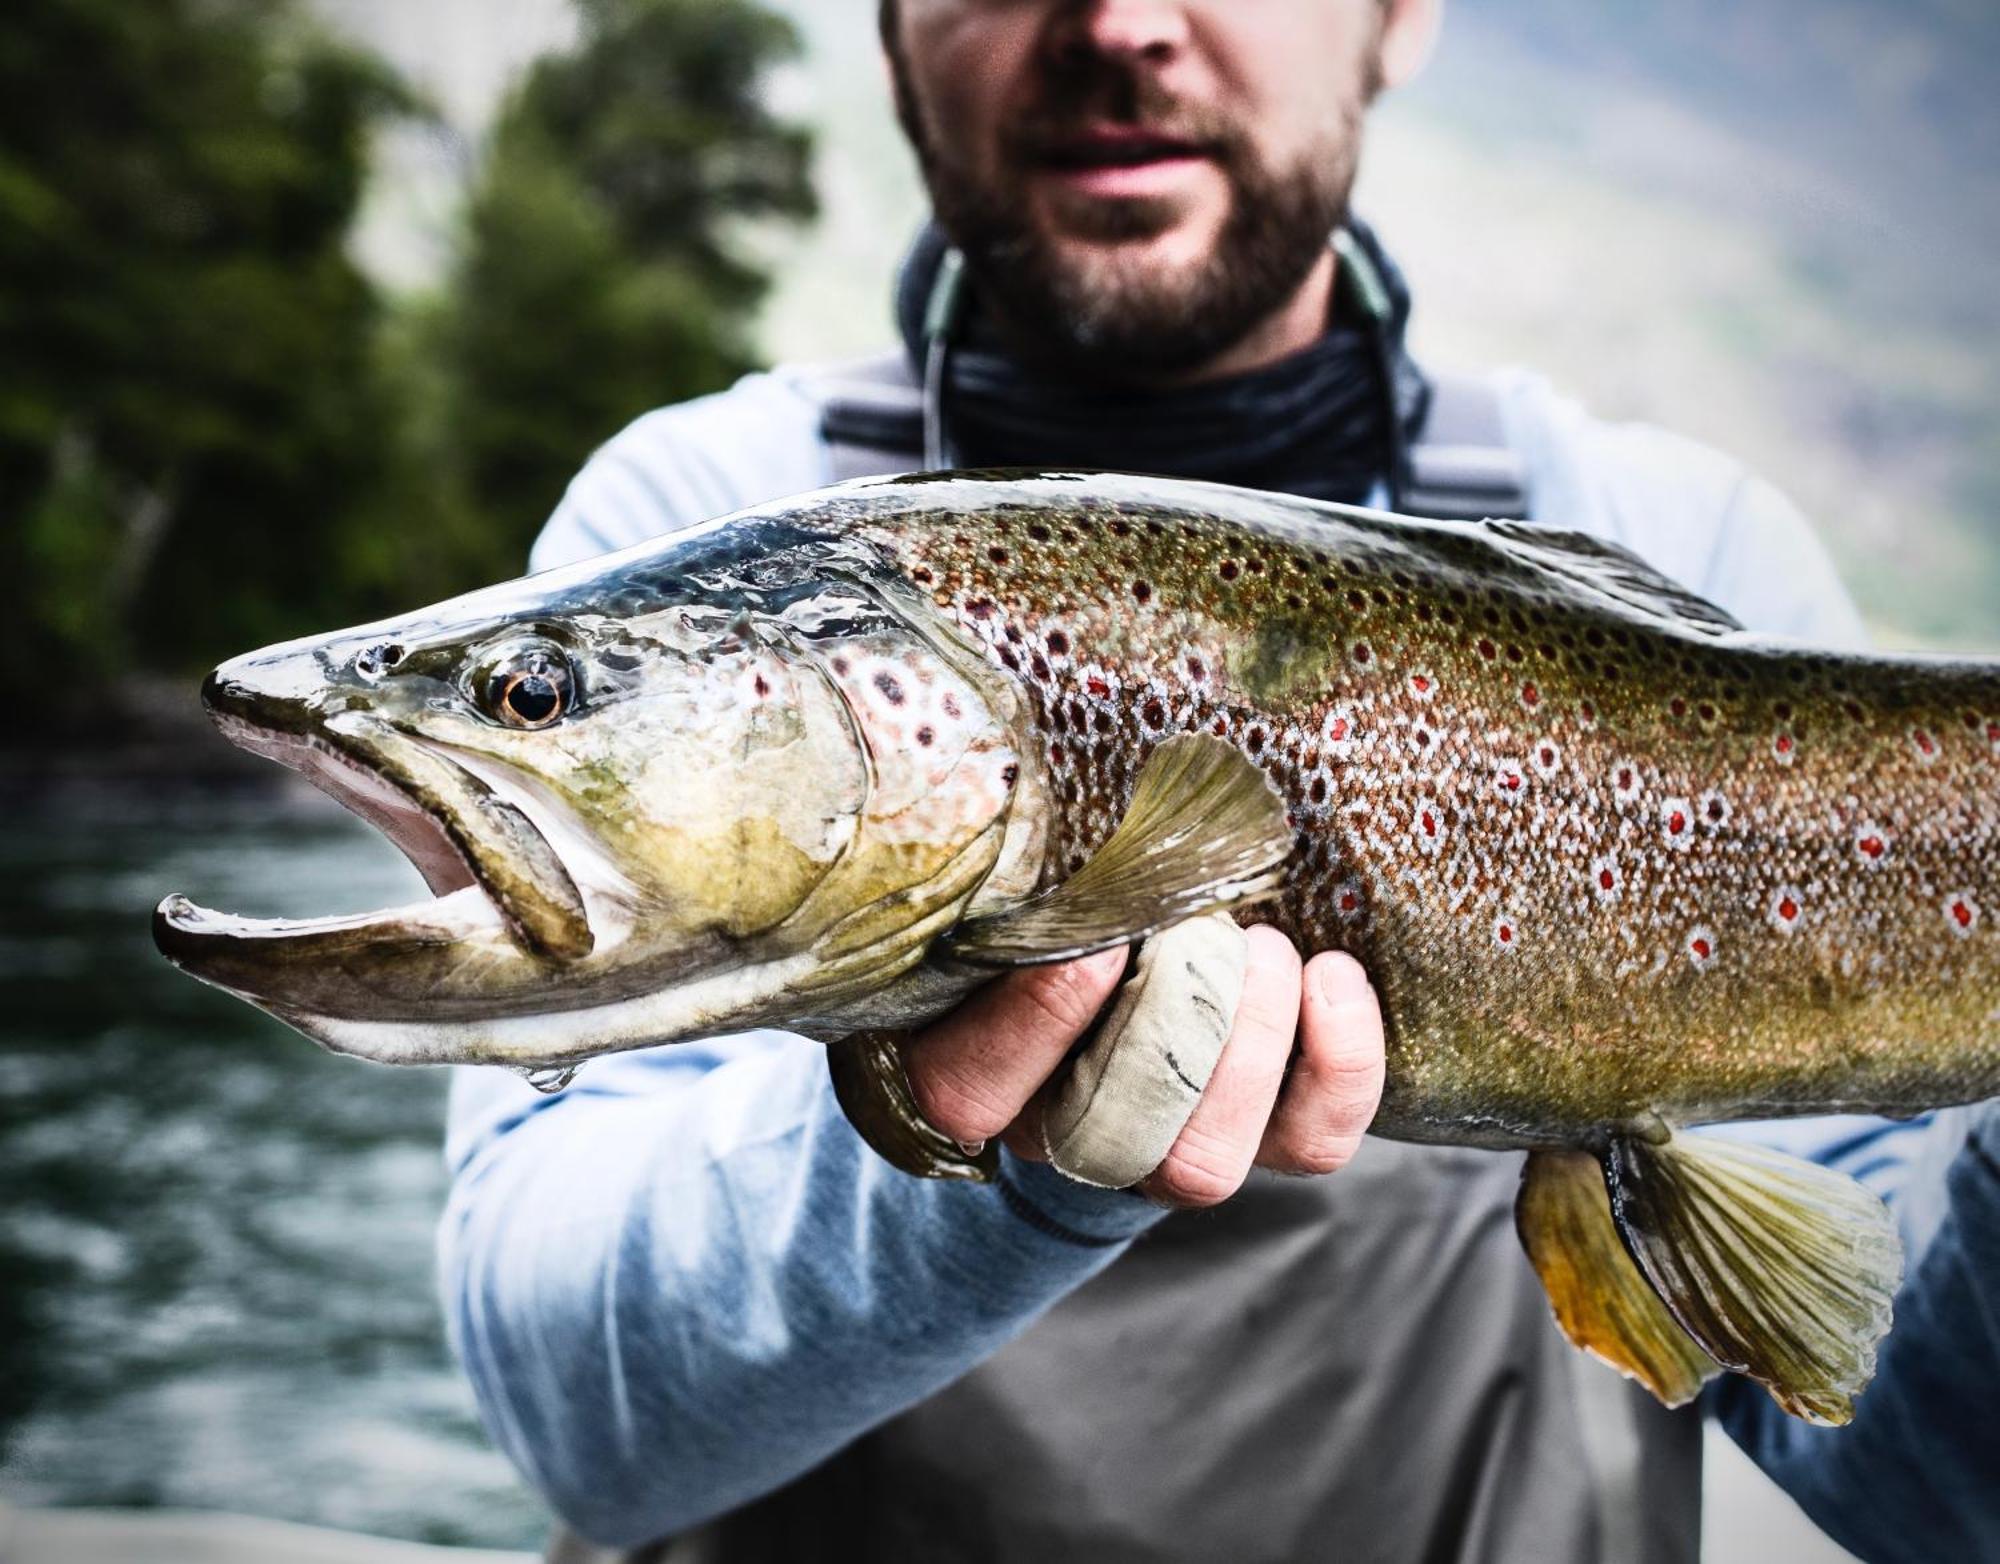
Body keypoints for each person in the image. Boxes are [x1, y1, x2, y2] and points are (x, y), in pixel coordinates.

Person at [439, 3, 1999, 1560]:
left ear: (1399, 20)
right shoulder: (688, 530)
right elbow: (583, 1429)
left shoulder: (1693, 551)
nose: (1115, 22)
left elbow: (1918, 1480)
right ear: (896, 29)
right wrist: (994, 1169)